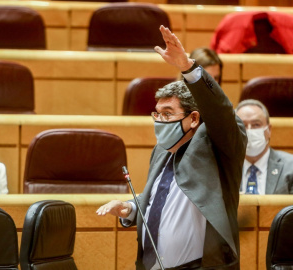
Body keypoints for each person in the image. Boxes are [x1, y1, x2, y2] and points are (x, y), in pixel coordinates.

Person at [96, 25, 246, 270]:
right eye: (157, 114)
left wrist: (188, 67)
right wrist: (132, 208)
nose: (159, 121)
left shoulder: (220, 145)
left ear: (194, 118)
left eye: (168, 114)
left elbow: (220, 112)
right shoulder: (163, 149)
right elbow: (163, 195)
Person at [236, 99, 293, 194]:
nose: (249, 131)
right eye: (243, 125)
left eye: (256, 125)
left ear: (269, 130)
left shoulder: (290, 167)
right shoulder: (223, 169)